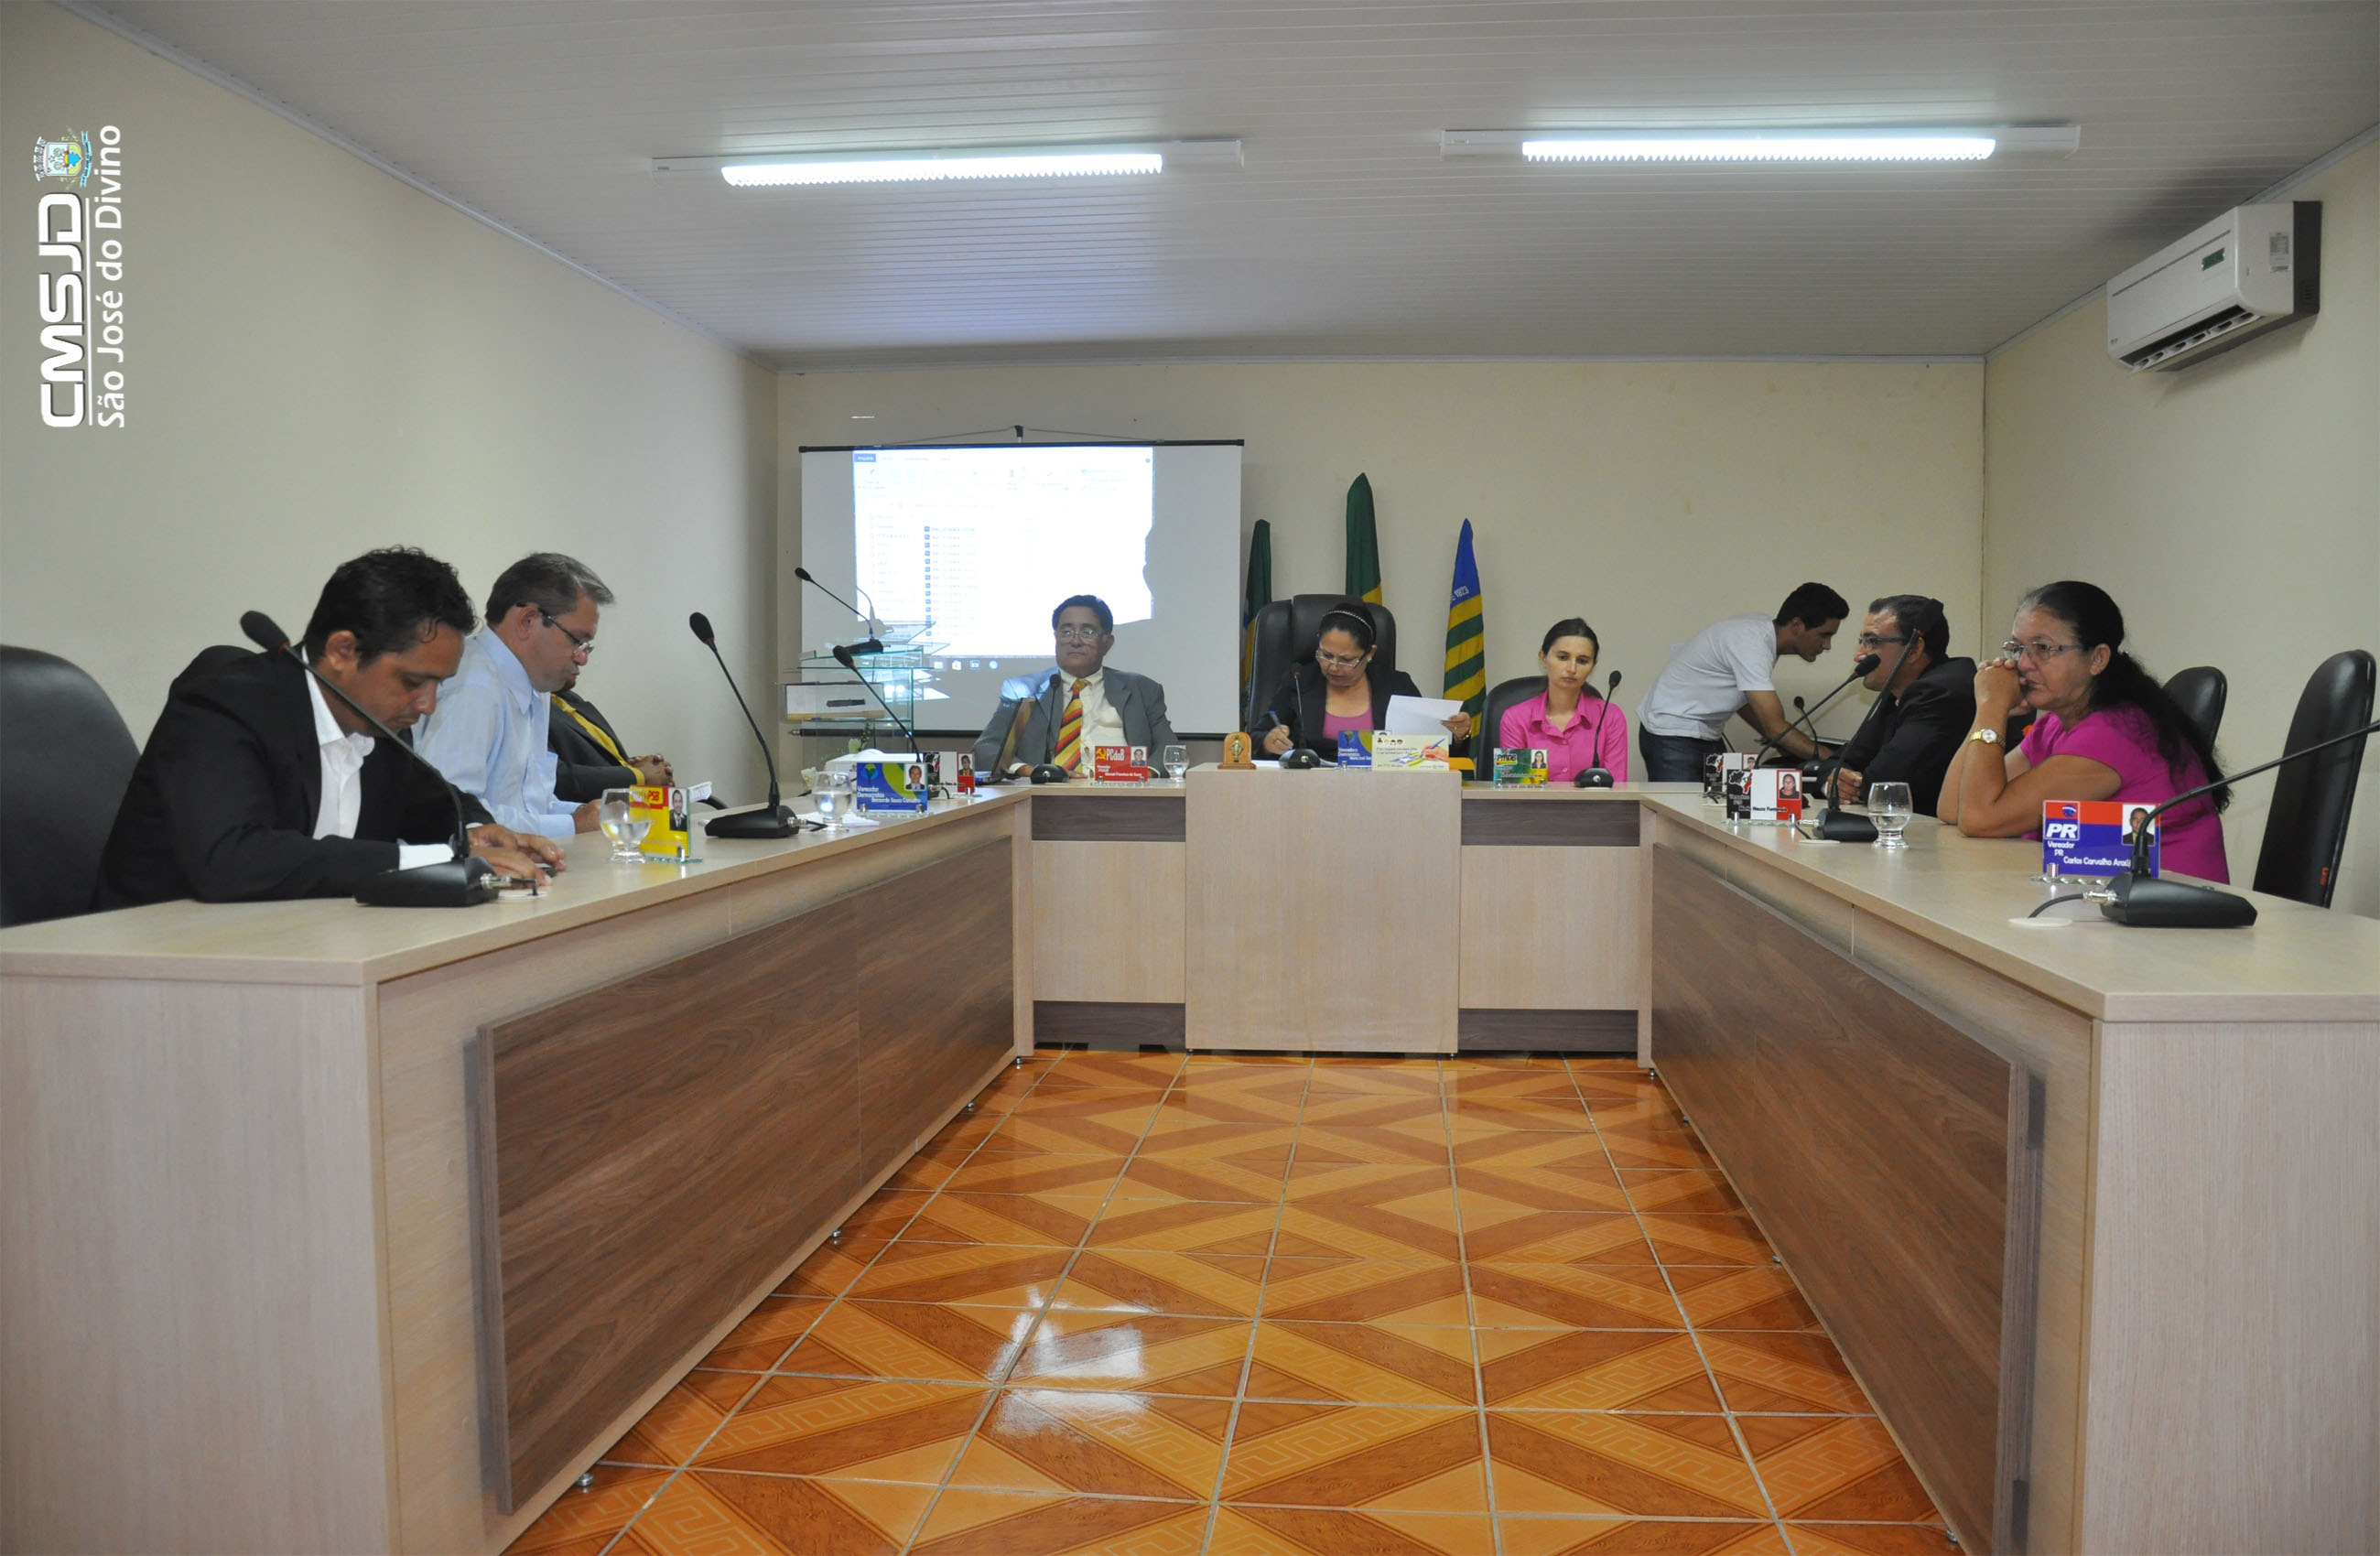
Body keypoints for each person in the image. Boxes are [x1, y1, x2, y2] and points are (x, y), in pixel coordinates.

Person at [97, 548, 563, 906]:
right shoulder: (222, 708)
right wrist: (449, 858)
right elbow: (233, 859)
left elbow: (437, 801)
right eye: (413, 682)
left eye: (439, 685)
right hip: (156, 967)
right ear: (342, 651)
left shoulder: (381, 726)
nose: (428, 705)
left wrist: (480, 830)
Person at [1938, 580, 2229, 881]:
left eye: (2042, 648)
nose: (2023, 664)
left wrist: (1991, 708)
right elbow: (1952, 808)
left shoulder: (2116, 735)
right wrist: (1987, 712)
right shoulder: (2054, 725)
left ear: (2097, 659)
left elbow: (1979, 819)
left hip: (2170, 903)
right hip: (2101, 893)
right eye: (2017, 648)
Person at [416, 553, 613, 836]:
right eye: (577, 641)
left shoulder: (533, 685)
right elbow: (452, 815)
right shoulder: (473, 687)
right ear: (528, 620)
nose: (582, 658)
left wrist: (590, 814)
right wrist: (574, 824)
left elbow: (530, 806)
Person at [1635, 583, 1848, 782]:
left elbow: (1749, 704)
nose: (1827, 645)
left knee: (1719, 805)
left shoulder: (1761, 632)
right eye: (1824, 635)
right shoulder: (1752, 644)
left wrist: (1783, 742)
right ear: (1797, 625)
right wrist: (1833, 760)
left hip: (1704, 733)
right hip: (1672, 733)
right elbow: (1776, 727)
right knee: (1679, 810)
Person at [971, 595, 1179, 778]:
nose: (1075, 641)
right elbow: (986, 748)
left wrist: (1140, 774)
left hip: (1123, 796)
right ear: (1056, 638)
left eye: (1087, 632)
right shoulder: (1023, 690)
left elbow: (1171, 749)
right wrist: (1031, 771)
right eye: (1067, 632)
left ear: (1108, 643)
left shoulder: (1141, 689)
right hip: (1044, 798)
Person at [1255, 607, 1472, 761]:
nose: (1333, 667)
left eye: (1346, 660)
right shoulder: (1299, 680)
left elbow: (1430, 751)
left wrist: (1459, 736)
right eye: (1326, 655)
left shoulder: (1397, 686)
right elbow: (1257, 736)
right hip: (1311, 791)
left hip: (1386, 792)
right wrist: (1268, 742)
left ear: (1370, 654)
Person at [1827, 595, 1976, 816]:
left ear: (1914, 649)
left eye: (1872, 642)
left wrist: (1849, 785)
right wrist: (1834, 780)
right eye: (1862, 641)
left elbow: (1885, 784)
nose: (1859, 655)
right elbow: (1839, 762)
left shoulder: (1941, 691)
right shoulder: (1897, 694)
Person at [1498, 618, 1628, 783]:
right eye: (1562, 657)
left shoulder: (1610, 717)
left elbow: (1617, 789)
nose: (1572, 669)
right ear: (1543, 657)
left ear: (1593, 665)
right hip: (1532, 801)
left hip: (1596, 801)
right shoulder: (1515, 719)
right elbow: (1514, 788)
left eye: (1582, 661)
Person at [548, 664, 674, 803]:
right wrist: (639, 776)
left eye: (587, 651)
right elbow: (553, 778)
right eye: (575, 649)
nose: (582, 659)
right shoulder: (533, 709)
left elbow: (592, 760)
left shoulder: (569, 698)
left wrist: (648, 771)